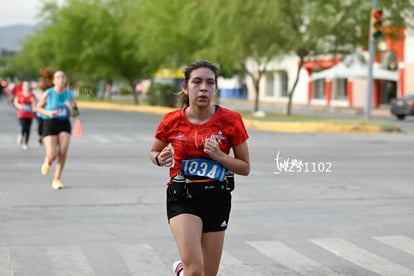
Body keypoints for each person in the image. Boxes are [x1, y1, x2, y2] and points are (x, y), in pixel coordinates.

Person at [150, 60, 250, 276]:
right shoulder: (171, 121)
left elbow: (244, 167)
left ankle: (181, 271)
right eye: (197, 82)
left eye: (209, 82)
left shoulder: (231, 121)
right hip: (182, 198)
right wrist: (161, 158)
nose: (203, 87)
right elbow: (153, 152)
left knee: (208, 274)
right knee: (195, 270)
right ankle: (186, 270)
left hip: (217, 200)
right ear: (186, 87)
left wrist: (220, 156)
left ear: (215, 88)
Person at [36, 70, 79, 190]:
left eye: (63, 77)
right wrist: (48, 112)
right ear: (54, 81)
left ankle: (57, 179)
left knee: (63, 152)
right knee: (52, 154)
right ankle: (48, 161)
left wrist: (71, 108)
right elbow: (38, 108)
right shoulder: (48, 93)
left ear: (65, 80)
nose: (61, 79)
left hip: (64, 123)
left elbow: (75, 114)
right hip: (50, 123)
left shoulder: (69, 94)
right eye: (58, 77)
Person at [13, 81, 36, 150]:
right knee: (23, 126)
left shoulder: (32, 95)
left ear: (29, 87)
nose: (26, 87)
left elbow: (34, 105)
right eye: (25, 85)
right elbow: (15, 102)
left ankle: (26, 143)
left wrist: (33, 102)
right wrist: (19, 106)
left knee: (28, 128)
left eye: (27, 85)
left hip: (30, 114)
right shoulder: (19, 94)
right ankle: (22, 135)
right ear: (22, 86)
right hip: (21, 114)